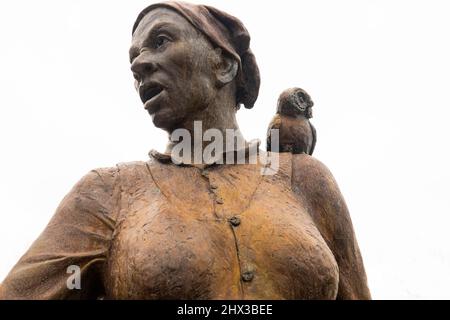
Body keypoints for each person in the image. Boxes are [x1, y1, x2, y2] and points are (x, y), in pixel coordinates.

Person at [0, 1, 370, 299]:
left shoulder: (304, 178)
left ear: (223, 65)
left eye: (160, 41)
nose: (139, 64)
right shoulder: (107, 193)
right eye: (134, 59)